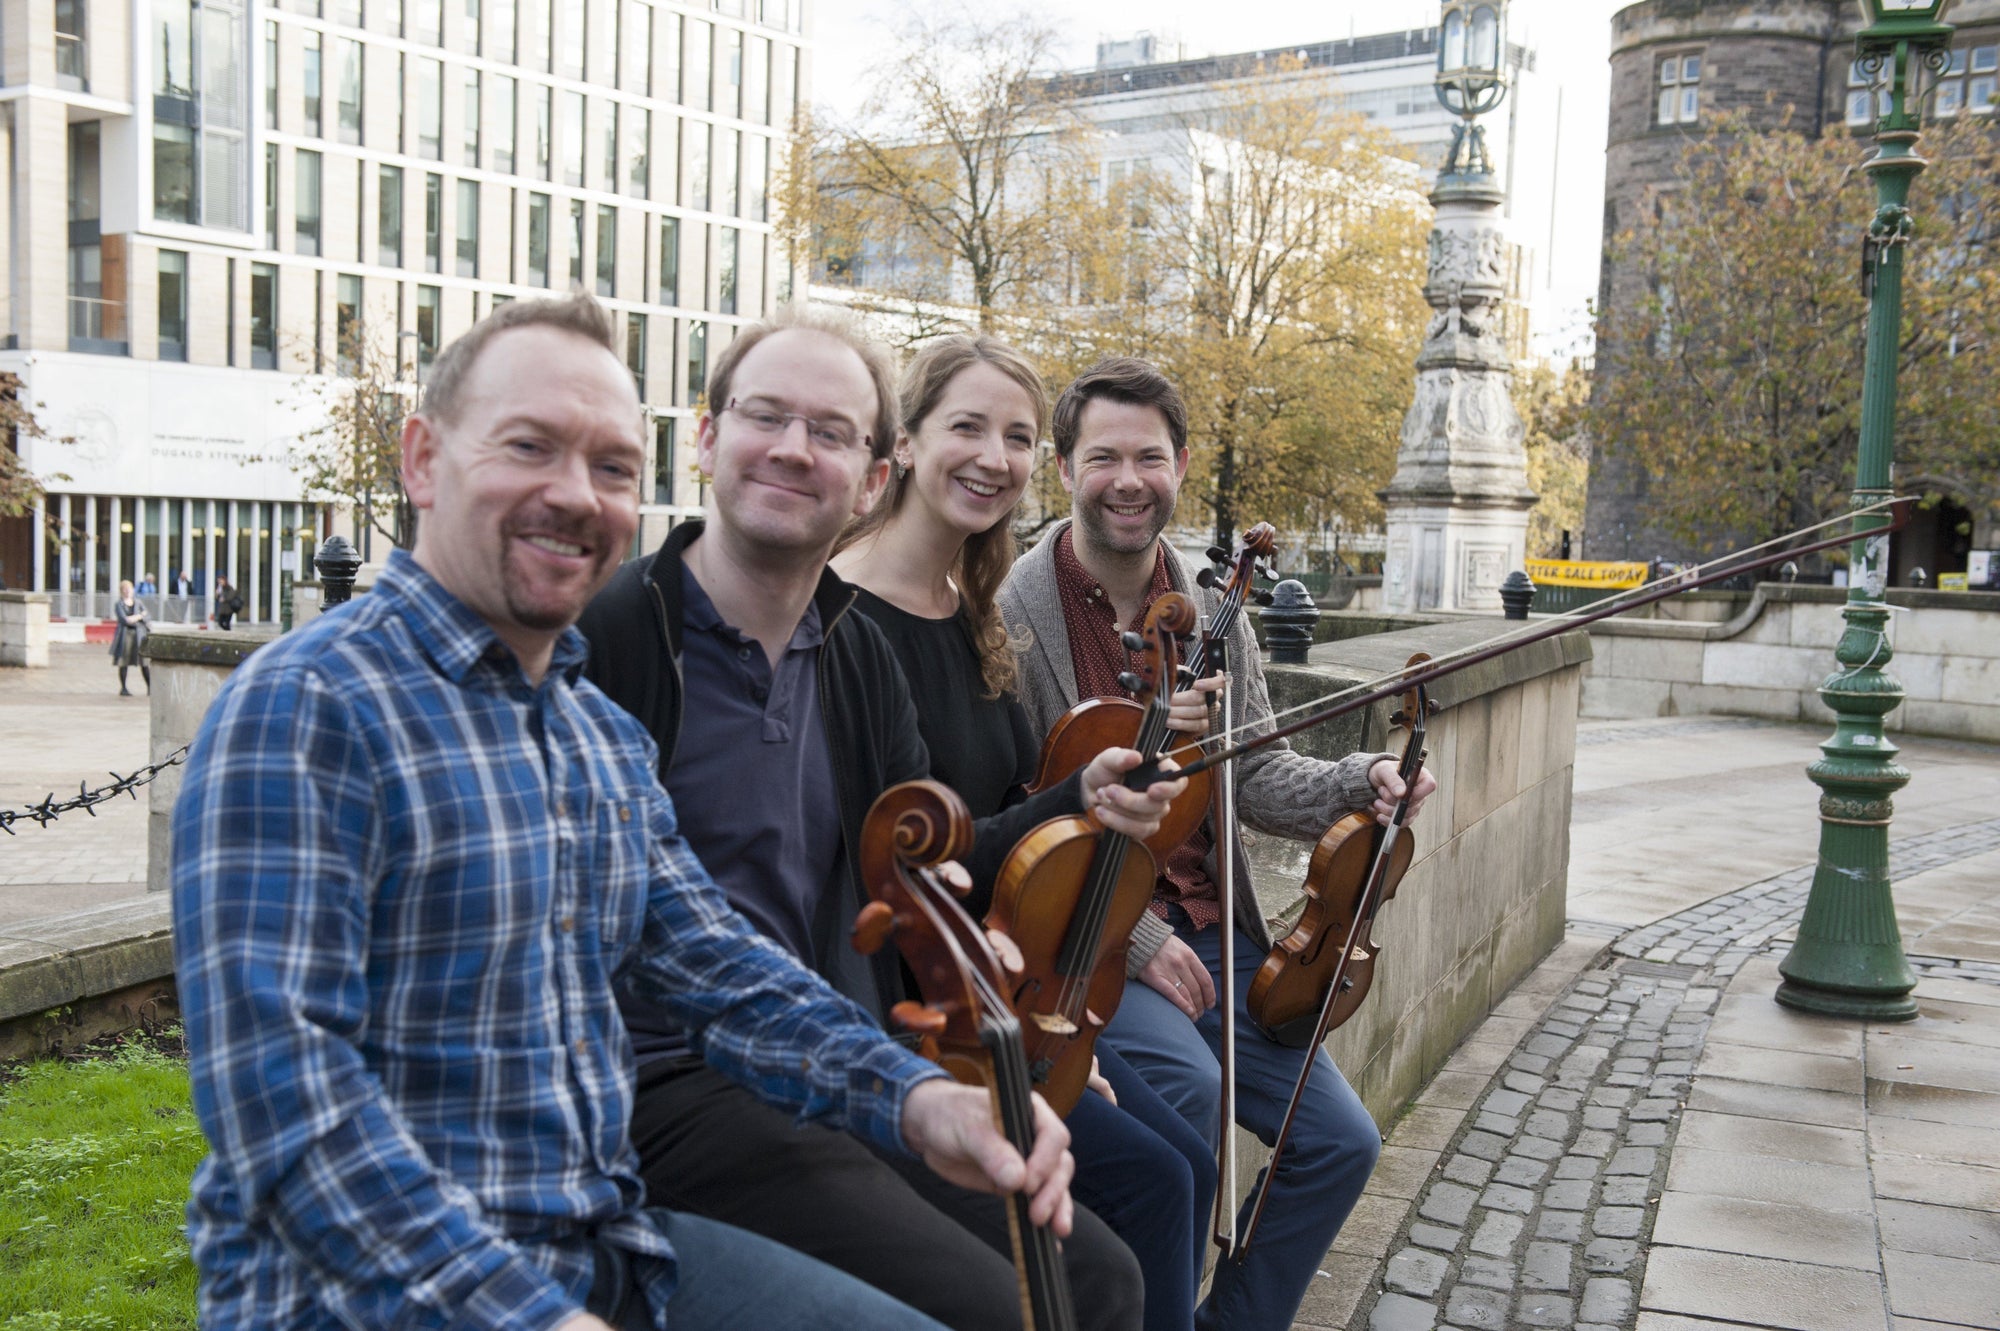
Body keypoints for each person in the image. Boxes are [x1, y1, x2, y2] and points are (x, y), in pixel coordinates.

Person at [172, 294, 1068, 1331]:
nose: (574, 494)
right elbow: (283, 1107)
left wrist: (917, 1100)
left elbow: (722, 969)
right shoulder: (309, 706)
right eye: (528, 446)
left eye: (608, 467)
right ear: (421, 459)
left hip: (601, 1251)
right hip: (368, 1297)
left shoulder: (591, 734)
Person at [579, 308, 1181, 1331]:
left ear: (869, 473)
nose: (790, 448)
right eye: (765, 415)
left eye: (830, 431)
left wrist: (1013, 1038)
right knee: (999, 1304)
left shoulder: (852, 656)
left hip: (832, 1052)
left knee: (1101, 1277)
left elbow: (926, 861)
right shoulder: (617, 637)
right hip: (671, 1083)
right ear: (708, 434)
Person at [997, 357, 1439, 1331]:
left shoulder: (1214, 605)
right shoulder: (1011, 616)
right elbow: (1013, 806)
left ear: (1180, 464)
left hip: (1219, 939)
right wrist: (1140, 939)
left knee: (1339, 1141)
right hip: (1095, 944)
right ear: (1064, 465)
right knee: (1190, 1096)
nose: (1126, 477)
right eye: (1102, 454)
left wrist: (1355, 779)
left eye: (1147, 456)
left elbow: (1260, 773)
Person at [830, 335, 1217, 1331]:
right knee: (1154, 1181)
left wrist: (1101, 791)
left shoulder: (972, 608)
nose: (992, 456)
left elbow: (1009, 797)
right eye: (965, 427)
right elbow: (915, 860)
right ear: (904, 444)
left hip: (1005, 980)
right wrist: (1074, 795)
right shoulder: (845, 620)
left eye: (1012, 434)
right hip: (922, 1005)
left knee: (1183, 1149)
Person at [109, 578, 149, 695]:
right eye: (124, 589)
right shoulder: (119, 604)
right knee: (123, 662)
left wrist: (135, 617)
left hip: (139, 635)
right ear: (121, 591)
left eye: (129, 589)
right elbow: (124, 620)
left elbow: (146, 615)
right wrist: (139, 616)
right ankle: (123, 688)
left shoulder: (138, 602)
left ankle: (150, 687)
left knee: (144, 662)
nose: (127, 591)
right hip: (125, 635)